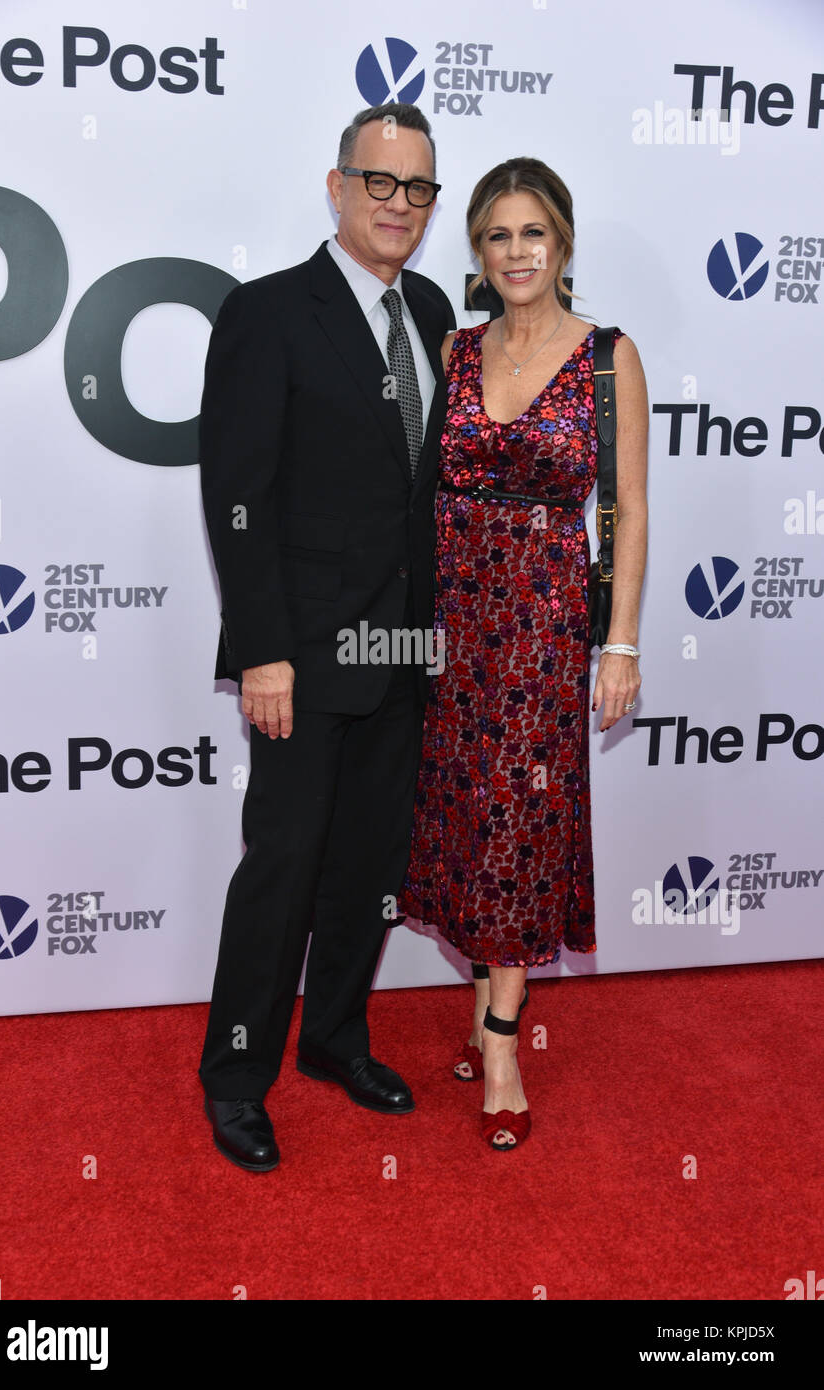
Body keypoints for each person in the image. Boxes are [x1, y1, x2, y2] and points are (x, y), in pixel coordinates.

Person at [196, 103, 454, 1171]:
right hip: (300, 657)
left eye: (419, 190)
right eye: (380, 183)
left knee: (369, 867)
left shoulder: (436, 308)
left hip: (404, 654)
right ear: (337, 186)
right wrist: (263, 649)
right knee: (285, 867)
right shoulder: (267, 312)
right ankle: (237, 1074)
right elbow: (236, 492)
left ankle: (336, 1041)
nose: (400, 205)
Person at [400, 157, 648, 1151]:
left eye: (532, 234)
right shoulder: (454, 351)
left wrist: (620, 639)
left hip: (545, 625)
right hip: (451, 623)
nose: (516, 253)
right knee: (463, 815)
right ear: (478, 248)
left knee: (521, 820)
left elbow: (626, 511)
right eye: (498, 236)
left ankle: (502, 1036)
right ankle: (480, 1006)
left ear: (565, 242)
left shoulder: (608, 355)